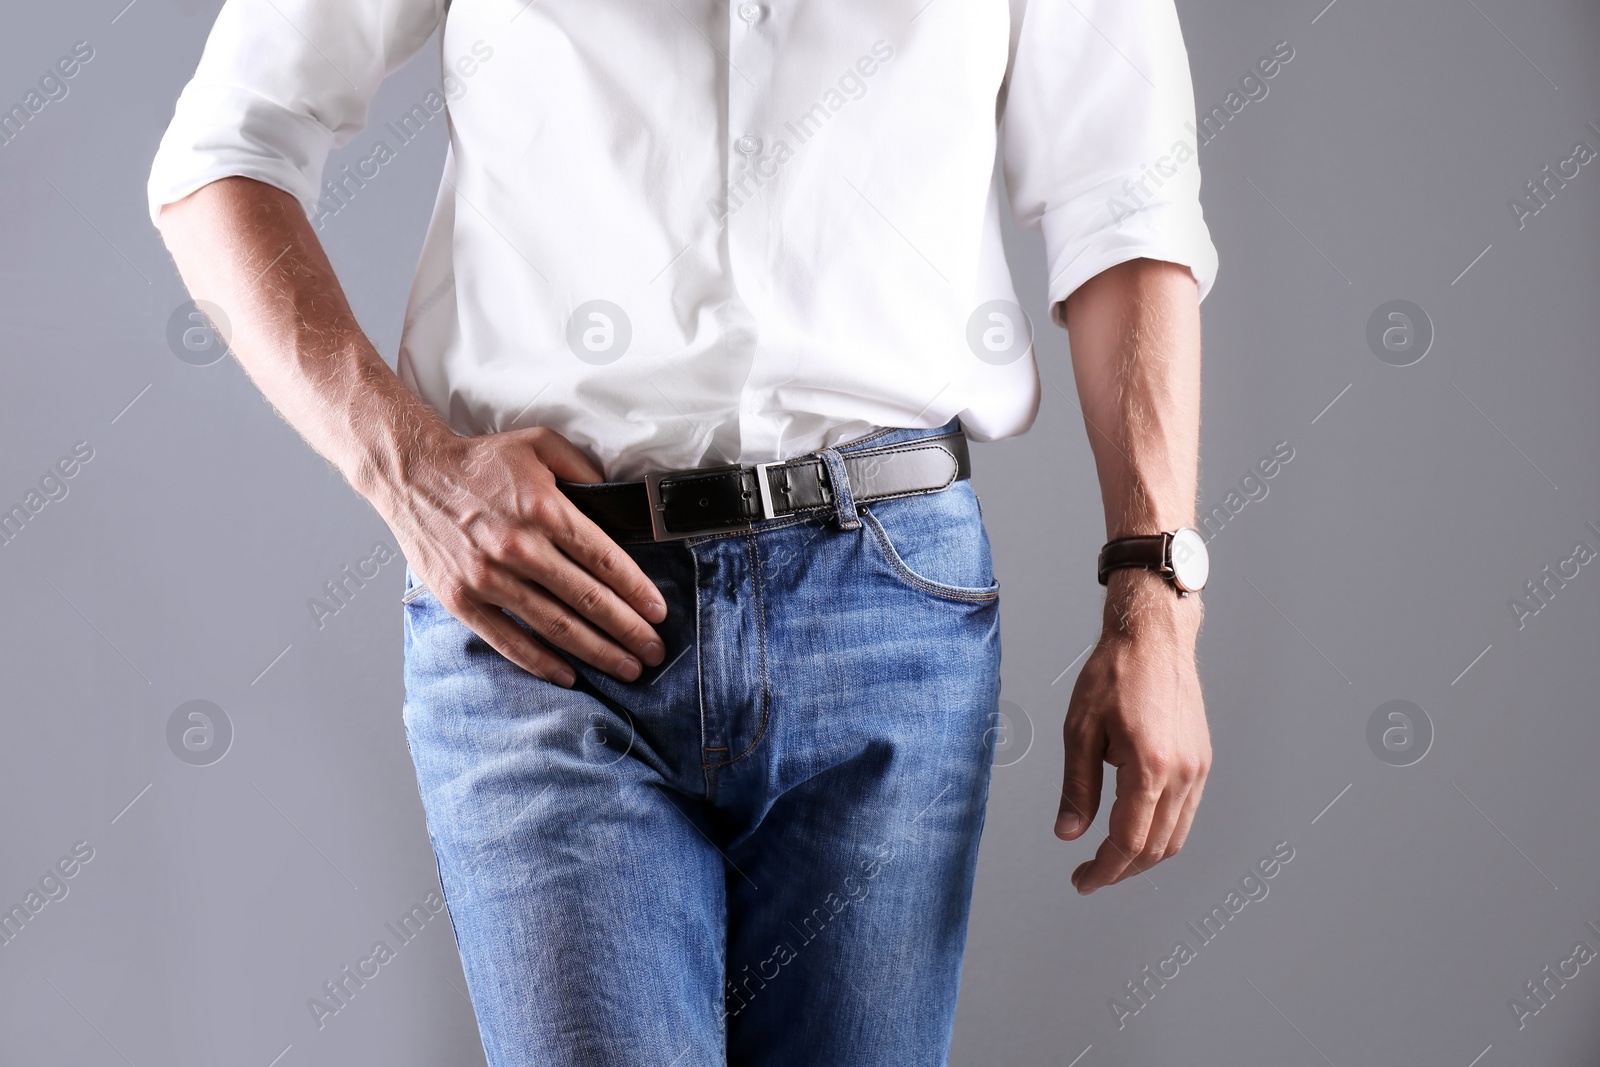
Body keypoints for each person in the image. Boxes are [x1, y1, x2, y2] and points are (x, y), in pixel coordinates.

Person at [148, 1, 1217, 1063]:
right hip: (550, 616)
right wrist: (407, 467)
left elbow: (1124, 208)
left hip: (890, 607)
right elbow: (223, 153)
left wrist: (1155, 589)